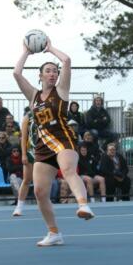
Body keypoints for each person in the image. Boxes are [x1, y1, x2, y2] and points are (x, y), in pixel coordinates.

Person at [13, 36, 94, 247]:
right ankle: (54, 233)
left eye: (54, 71)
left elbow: (66, 61)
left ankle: (84, 205)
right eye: (48, 71)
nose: (52, 73)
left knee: (68, 171)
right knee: (40, 192)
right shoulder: (33, 96)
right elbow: (16, 73)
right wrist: (26, 52)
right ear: (40, 76)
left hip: (63, 139)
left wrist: (50, 49)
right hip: (42, 146)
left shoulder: (61, 91)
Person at [12, 112, 36, 217]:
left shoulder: (49, 112)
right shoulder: (28, 117)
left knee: (43, 182)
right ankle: (19, 207)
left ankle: (44, 204)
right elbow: (24, 138)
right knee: (26, 180)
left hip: (44, 153)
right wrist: (24, 154)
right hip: (31, 152)